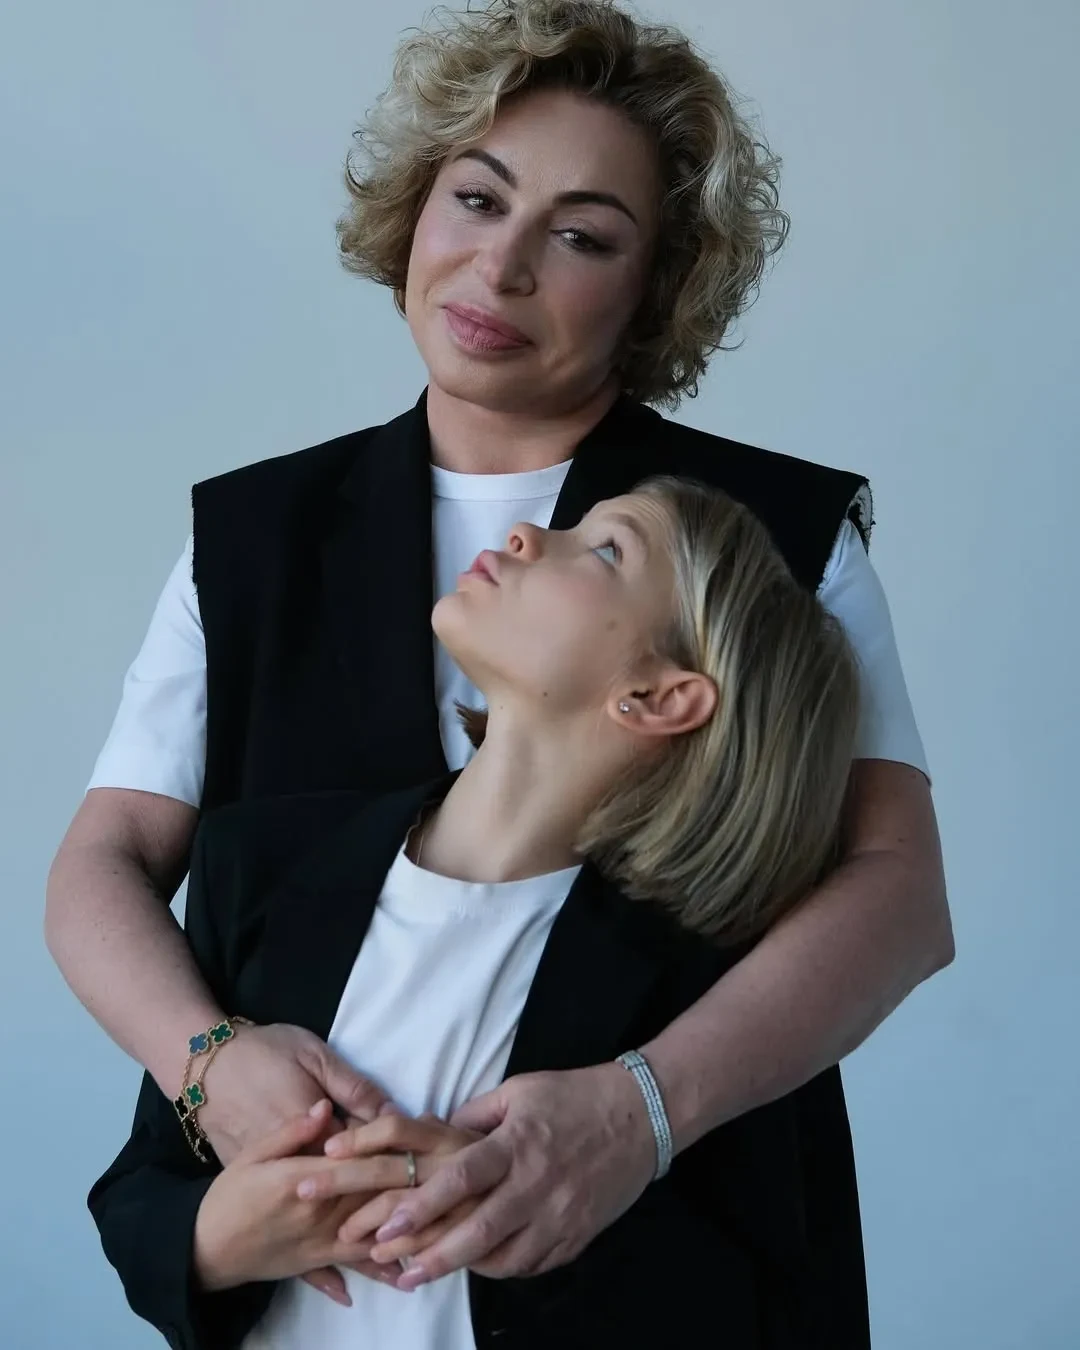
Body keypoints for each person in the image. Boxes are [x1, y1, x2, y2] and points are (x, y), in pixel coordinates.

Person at [47, 0, 951, 1339]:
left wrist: (644, 1110)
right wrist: (207, 1065)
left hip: (675, 1279)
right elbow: (103, 861)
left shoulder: (770, 537)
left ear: (654, 285)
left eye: (582, 235)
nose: (503, 263)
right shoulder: (252, 537)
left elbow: (900, 894)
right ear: (416, 208)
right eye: (477, 198)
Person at [91, 477, 864, 1350]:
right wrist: (222, 1239)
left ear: (658, 696)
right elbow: (139, 1200)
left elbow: (759, 1290)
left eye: (608, 549)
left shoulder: (720, 986)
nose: (531, 534)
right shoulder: (257, 865)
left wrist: (521, 1224)